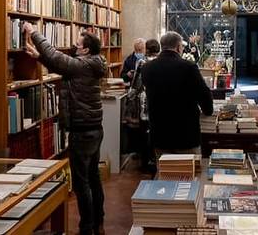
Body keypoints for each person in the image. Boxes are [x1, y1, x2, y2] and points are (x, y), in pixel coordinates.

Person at [23, 22, 106, 235]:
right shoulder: (91, 64)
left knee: (81, 182)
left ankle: (86, 226)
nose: (74, 47)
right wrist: (38, 57)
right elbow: (63, 67)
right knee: (93, 176)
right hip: (94, 129)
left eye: (76, 45)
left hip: (82, 130)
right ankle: (98, 219)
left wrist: (34, 33)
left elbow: (57, 58)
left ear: (86, 50)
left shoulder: (82, 65)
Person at [141, 31, 213, 158]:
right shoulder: (188, 67)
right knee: (189, 173)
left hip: (159, 133)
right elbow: (203, 94)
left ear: (162, 46)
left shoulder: (147, 68)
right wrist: (208, 111)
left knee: (164, 173)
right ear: (179, 47)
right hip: (185, 133)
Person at [123, 38, 160, 173]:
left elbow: (136, 84)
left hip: (144, 104)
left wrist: (130, 97)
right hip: (159, 104)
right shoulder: (161, 62)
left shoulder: (142, 62)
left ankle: (145, 163)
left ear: (146, 50)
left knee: (144, 135)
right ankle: (156, 161)